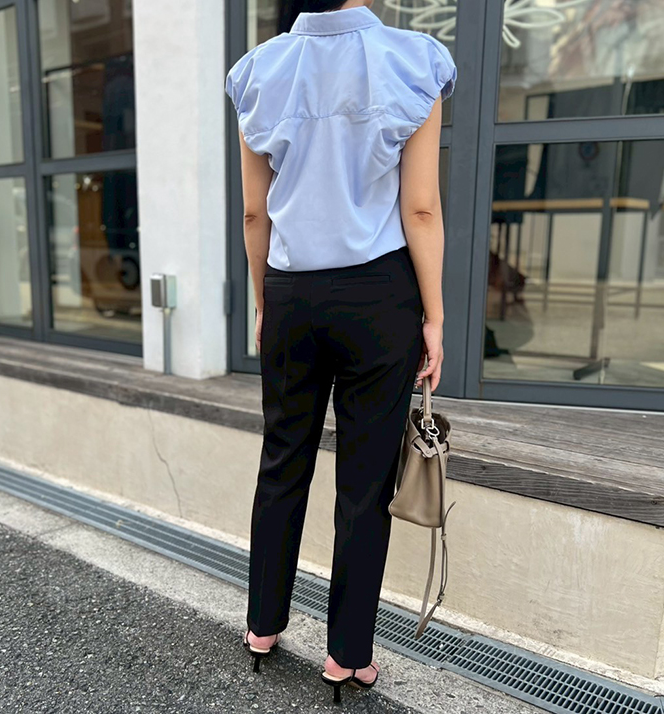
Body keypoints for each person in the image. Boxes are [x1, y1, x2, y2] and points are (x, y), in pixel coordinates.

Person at [224, 0, 456, 702]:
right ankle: (348, 655)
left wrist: (264, 302)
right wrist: (434, 316)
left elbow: (255, 212)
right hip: (379, 296)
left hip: (291, 291)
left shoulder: (256, 71)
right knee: (364, 480)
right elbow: (420, 208)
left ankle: (262, 626)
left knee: (282, 459)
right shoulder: (413, 61)